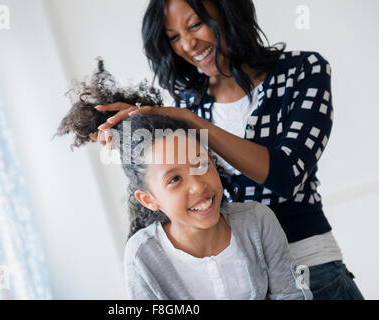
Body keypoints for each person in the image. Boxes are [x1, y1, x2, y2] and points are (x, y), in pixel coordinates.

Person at [93, 0, 364, 300]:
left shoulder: (302, 71)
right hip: (245, 282)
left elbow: (286, 174)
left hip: (311, 268)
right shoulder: (188, 105)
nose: (187, 43)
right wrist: (128, 135)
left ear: (228, 11)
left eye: (195, 24)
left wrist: (192, 122)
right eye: (173, 37)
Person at [56, 59, 310, 299]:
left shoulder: (258, 222)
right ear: (149, 199)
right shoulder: (143, 256)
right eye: (175, 179)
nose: (198, 185)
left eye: (201, 164)